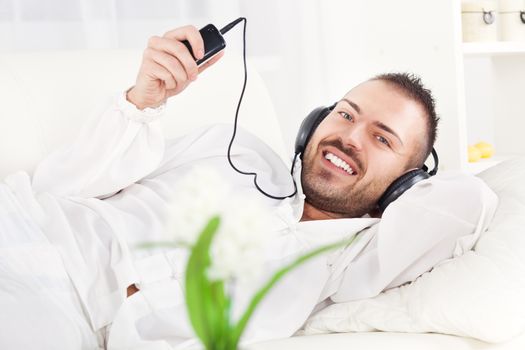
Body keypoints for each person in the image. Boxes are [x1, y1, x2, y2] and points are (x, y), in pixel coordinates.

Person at [0, 25, 497, 350]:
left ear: (408, 182)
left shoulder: (335, 267)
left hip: (63, 314)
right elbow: (57, 186)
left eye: (382, 138)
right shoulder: (233, 148)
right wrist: (141, 102)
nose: (348, 136)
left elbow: (470, 199)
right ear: (312, 124)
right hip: (28, 229)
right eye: (345, 113)